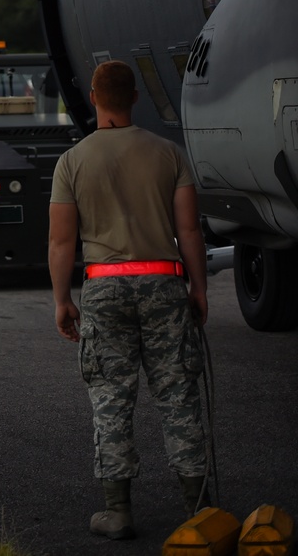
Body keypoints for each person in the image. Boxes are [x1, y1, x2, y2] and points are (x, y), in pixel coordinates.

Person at [48, 59, 208, 541]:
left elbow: (61, 242)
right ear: (134, 97)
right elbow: (188, 230)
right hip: (163, 282)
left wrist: (62, 299)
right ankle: (198, 508)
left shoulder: (72, 161)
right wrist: (198, 287)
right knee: (178, 395)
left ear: (94, 98)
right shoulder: (168, 153)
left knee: (111, 398)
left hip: (104, 286)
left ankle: (117, 511)